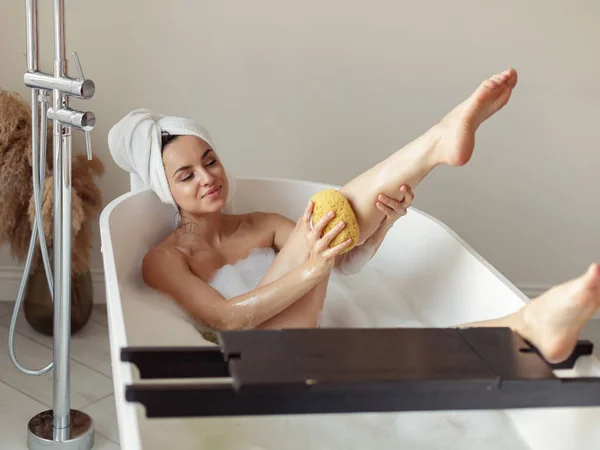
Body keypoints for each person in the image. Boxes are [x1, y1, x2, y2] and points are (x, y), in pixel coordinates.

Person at [108, 68, 600, 365]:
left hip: (305, 348)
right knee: (325, 210)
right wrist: (312, 269)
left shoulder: (259, 224)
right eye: (185, 175)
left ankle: (529, 325)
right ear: (165, 189)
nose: (207, 178)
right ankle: (433, 144)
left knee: (330, 217)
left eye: (210, 160)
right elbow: (225, 320)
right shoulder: (164, 259)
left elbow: (342, 260)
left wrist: (385, 223)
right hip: (243, 365)